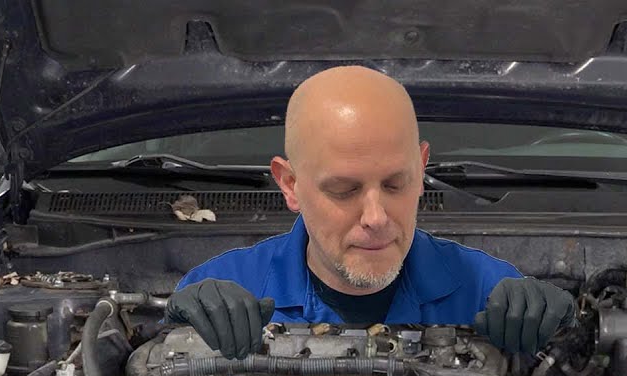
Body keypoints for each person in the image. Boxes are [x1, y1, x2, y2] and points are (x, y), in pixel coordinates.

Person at [167, 65, 574, 359]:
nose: (376, 218)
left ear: (421, 169)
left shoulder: (485, 289)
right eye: (344, 190)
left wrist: (566, 323)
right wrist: (170, 323)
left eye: (396, 184)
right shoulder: (228, 286)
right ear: (290, 185)